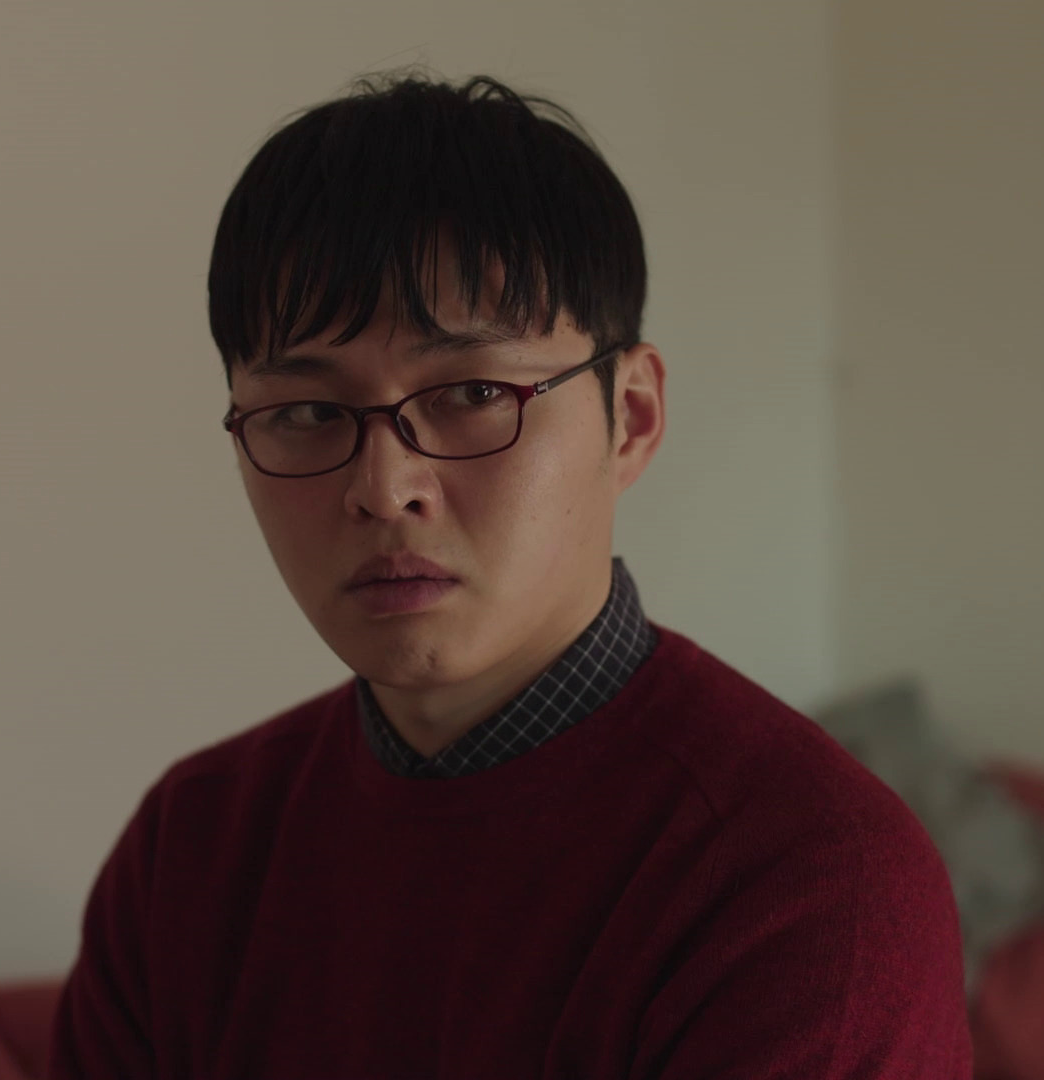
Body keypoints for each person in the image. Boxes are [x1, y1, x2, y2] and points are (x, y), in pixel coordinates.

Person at [49, 72, 970, 1079]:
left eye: (475, 393)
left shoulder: (806, 878)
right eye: (306, 413)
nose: (384, 488)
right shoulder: (194, 847)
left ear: (631, 418)